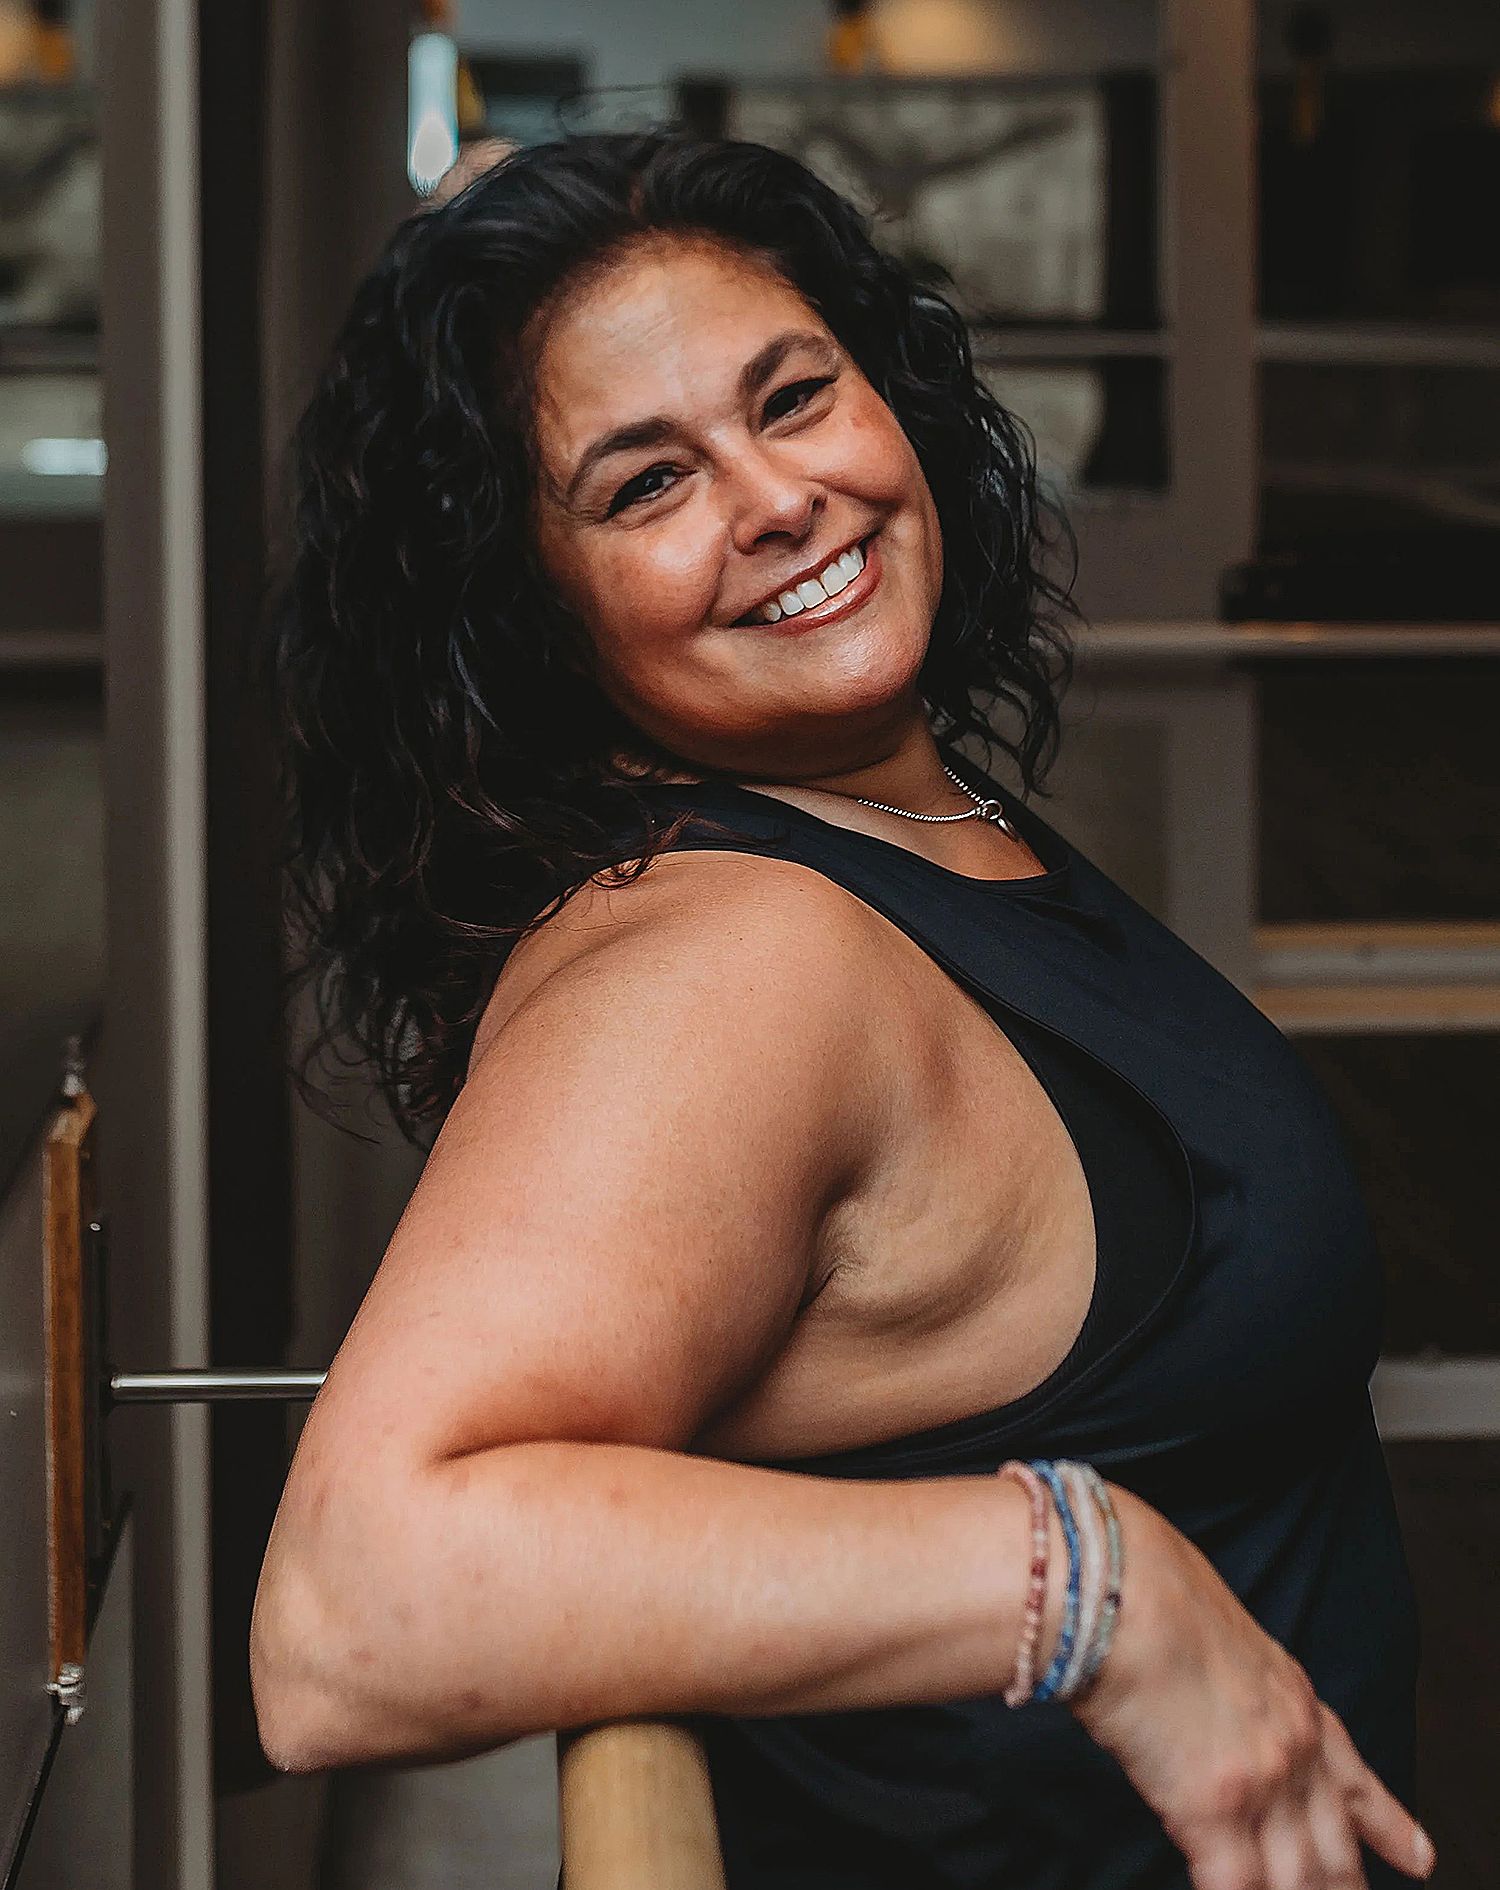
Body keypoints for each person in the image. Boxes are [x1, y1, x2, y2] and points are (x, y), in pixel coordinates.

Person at [250, 130, 1435, 1890]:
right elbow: (349, 1608)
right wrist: (1083, 1583)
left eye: (792, 396)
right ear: (535, 607)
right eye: (647, 485)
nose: (776, 499)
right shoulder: (729, 956)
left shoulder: (902, 816)